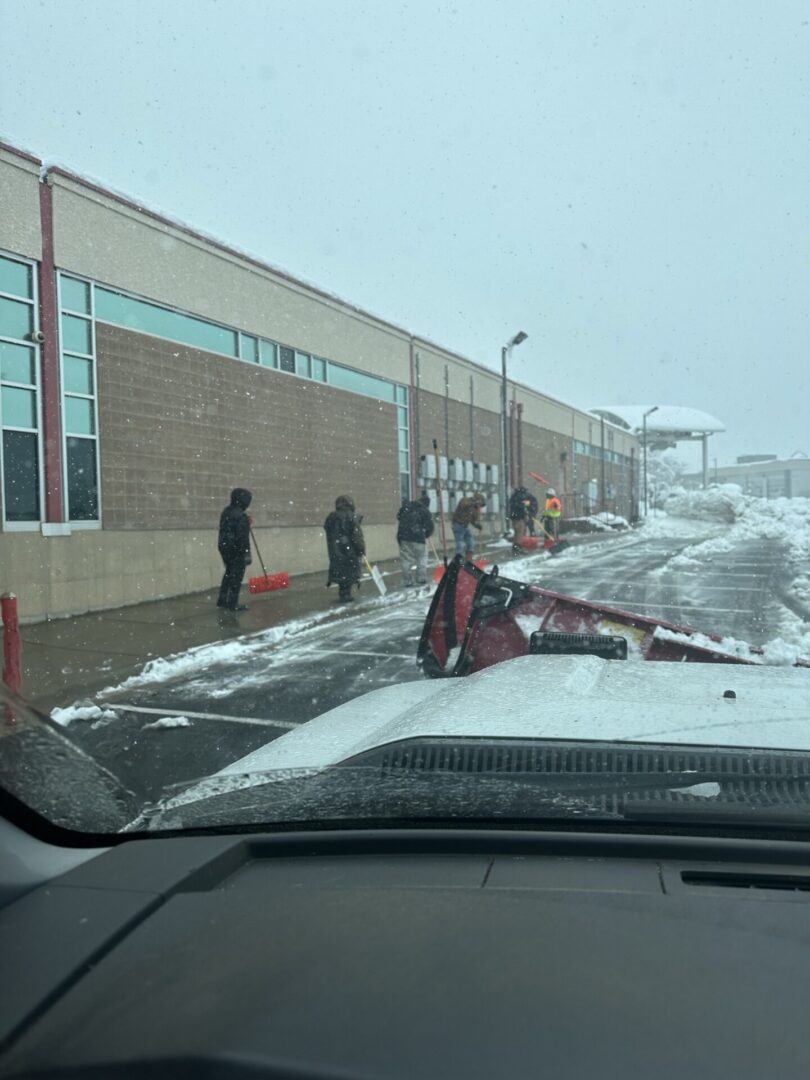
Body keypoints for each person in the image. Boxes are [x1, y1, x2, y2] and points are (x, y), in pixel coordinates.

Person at [217, 487, 253, 611]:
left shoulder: (226, 511)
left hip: (224, 547)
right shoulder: (240, 516)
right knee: (236, 577)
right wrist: (246, 554)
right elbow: (243, 538)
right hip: (236, 550)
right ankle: (233, 603)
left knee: (228, 573)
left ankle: (222, 600)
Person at [324, 495, 366, 602]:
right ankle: (346, 595)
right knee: (349, 572)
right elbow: (357, 537)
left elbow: (331, 534)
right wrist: (361, 549)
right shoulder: (351, 516)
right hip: (349, 552)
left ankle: (343, 593)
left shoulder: (331, 517)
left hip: (335, 552)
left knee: (341, 572)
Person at [396, 494, 434, 586]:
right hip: (418, 537)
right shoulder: (425, 511)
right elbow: (430, 526)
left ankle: (408, 581)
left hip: (404, 537)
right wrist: (427, 534)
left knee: (406, 559)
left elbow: (398, 517)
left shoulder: (407, 507)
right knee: (422, 557)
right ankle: (421, 579)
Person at [451, 492, 486, 560]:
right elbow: (464, 505)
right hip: (458, 525)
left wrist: (477, 525)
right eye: (480, 504)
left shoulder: (474, 509)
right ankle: (458, 561)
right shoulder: (465, 500)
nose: (480, 507)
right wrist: (474, 503)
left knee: (470, 543)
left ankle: (468, 560)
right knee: (460, 545)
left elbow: (472, 520)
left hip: (465, 526)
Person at [508, 486, 535, 551]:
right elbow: (522, 506)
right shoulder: (520, 498)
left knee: (517, 532)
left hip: (514, 517)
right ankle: (517, 547)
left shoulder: (513, 497)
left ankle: (516, 546)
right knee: (520, 532)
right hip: (519, 518)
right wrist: (527, 505)